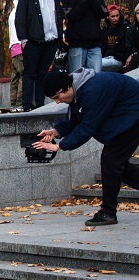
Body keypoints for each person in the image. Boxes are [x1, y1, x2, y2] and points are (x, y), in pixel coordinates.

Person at [34, 69, 139, 226]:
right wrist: (56, 131)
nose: (57, 102)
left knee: (110, 160)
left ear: (66, 88)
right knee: (117, 165)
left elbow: (88, 127)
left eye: (57, 97)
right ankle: (108, 212)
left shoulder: (92, 90)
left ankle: (108, 213)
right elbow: (75, 118)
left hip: (133, 117)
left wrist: (59, 147)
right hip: (125, 116)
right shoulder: (78, 89)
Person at [15, 0, 63, 111]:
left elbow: (58, 15)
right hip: (33, 41)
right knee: (30, 73)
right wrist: (23, 39)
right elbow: (20, 17)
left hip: (51, 40)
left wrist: (60, 35)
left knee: (43, 73)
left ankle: (40, 105)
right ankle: (28, 106)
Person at [62, 0, 107, 73]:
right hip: (77, 44)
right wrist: (85, 0)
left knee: (96, 77)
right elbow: (72, 16)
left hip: (95, 45)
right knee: (76, 77)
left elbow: (104, 13)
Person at [100, 5, 134, 73]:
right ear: (108, 17)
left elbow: (128, 46)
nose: (115, 18)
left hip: (118, 60)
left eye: (117, 15)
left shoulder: (126, 28)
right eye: (112, 16)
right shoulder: (105, 31)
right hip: (106, 58)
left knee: (95, 64)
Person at [8, 0, 23, 105]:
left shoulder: (12, 13)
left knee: (15, 75)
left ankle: (13, 99)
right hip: (20, 45)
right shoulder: (19, 12)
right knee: (23, 74)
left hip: (13, 46)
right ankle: (19, 100)